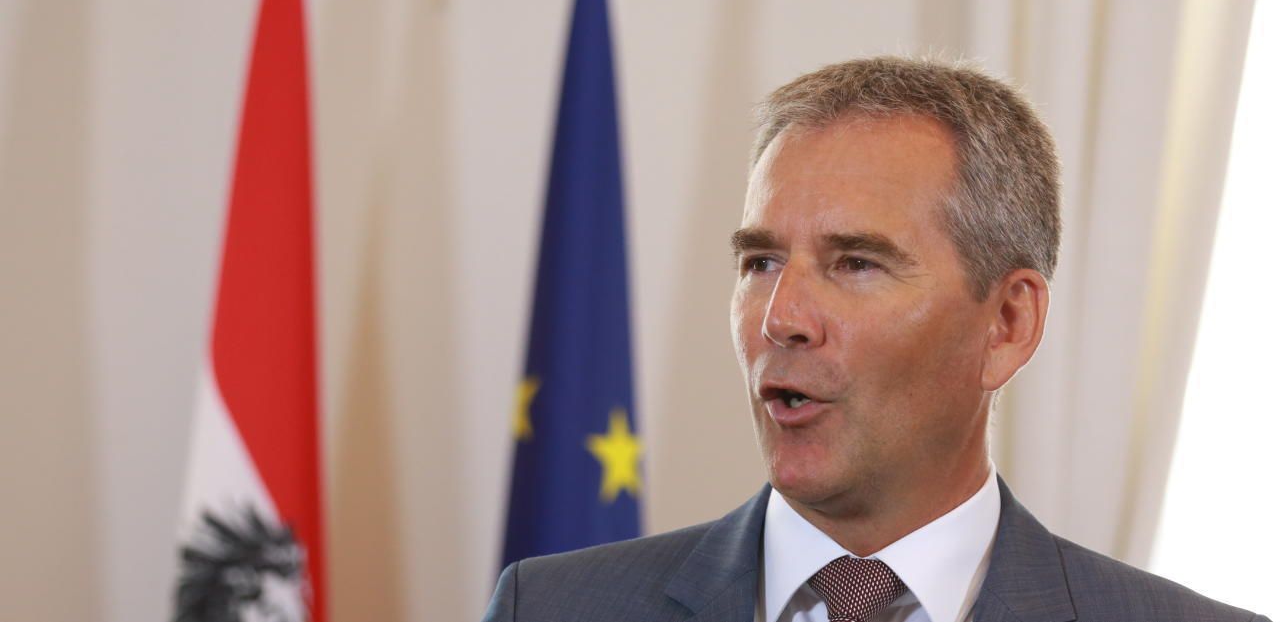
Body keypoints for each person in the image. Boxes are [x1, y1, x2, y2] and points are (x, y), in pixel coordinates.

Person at [481, 56, 1270, 622]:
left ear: (1008, 323)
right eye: (760, 262)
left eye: (855, 263)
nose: (780, 317)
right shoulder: (546, 606)